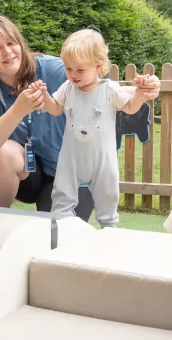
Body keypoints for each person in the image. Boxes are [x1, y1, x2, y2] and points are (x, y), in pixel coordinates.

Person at [0, 15, 161, 220]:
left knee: (56, 234)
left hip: (71, 173)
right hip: (28, 176)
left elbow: (101, 90)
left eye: (11, 43)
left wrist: (142, 90)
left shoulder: (54, 69)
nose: (7, 52)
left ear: (20, 43)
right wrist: (18, 110)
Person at [32, 29, 158, 228]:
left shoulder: (109, 89)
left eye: (80, 70)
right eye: (68, 68)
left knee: (107, 196)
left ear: (99, 67)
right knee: (62, 196)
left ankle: (109, 230)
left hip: (102, 159)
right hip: (70, 158)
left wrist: (141, 93)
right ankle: (60, 233)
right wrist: (44, 95)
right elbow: (55, 109)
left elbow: (130, 108)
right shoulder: (68, 87)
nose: (73, 74)